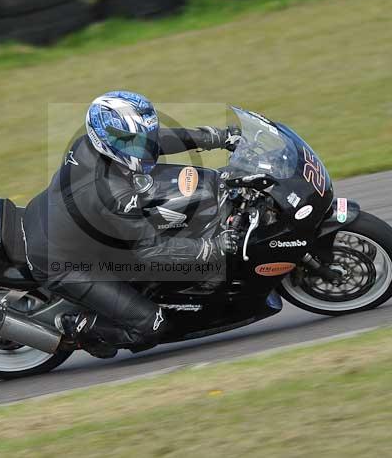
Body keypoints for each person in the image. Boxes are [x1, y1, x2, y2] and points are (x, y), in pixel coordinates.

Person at [23, 91, 241, 358]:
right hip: (64, 262)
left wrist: (217, 138)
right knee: (151, 327)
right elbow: (150, 250)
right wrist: (212, 248)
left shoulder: (90, 144)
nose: (143, 146)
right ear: (108, 138)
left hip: (56, 220)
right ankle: (76, 324)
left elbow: (158, 141)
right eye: (134, 141)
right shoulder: (112, 193)